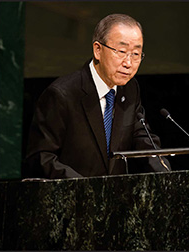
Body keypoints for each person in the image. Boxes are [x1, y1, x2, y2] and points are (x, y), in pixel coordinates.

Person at [24, 13, 170, 179]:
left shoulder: (129, 89)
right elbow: (41, 157)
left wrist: (164, 175)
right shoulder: (61, 95)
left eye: (136, 54)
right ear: (98, 50)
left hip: (115, 199)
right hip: (74, 199)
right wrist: (85, 189)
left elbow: (142, 137)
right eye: (121, 51)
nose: (128, 63)